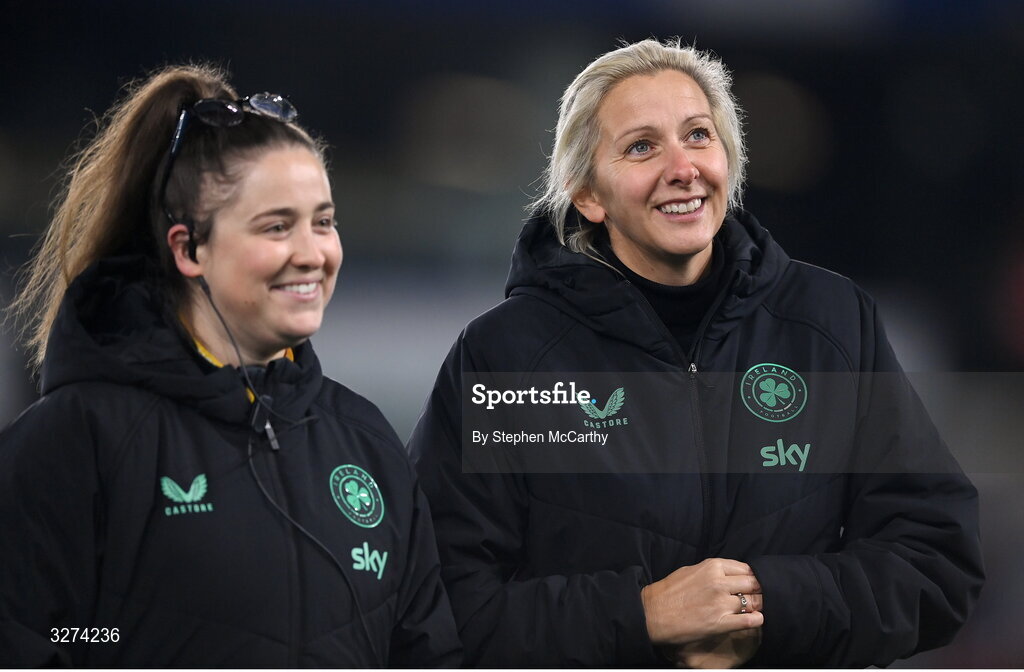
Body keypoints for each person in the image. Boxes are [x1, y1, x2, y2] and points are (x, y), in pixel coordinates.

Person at [409, 38, 984, 667]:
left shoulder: (833, 324)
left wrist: (762, 607)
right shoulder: (505, 358)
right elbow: (440, 608)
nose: (682, 168)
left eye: (698, 136)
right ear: (587, 195)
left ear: (728, 163)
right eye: (641, 147)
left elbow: (936, 567)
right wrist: (644, 615)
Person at [0, 64, 461, 667]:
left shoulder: (365, 440)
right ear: (189, 249)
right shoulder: (75, 439)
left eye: (323, 222)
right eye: (277, 227)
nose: (312, 254)